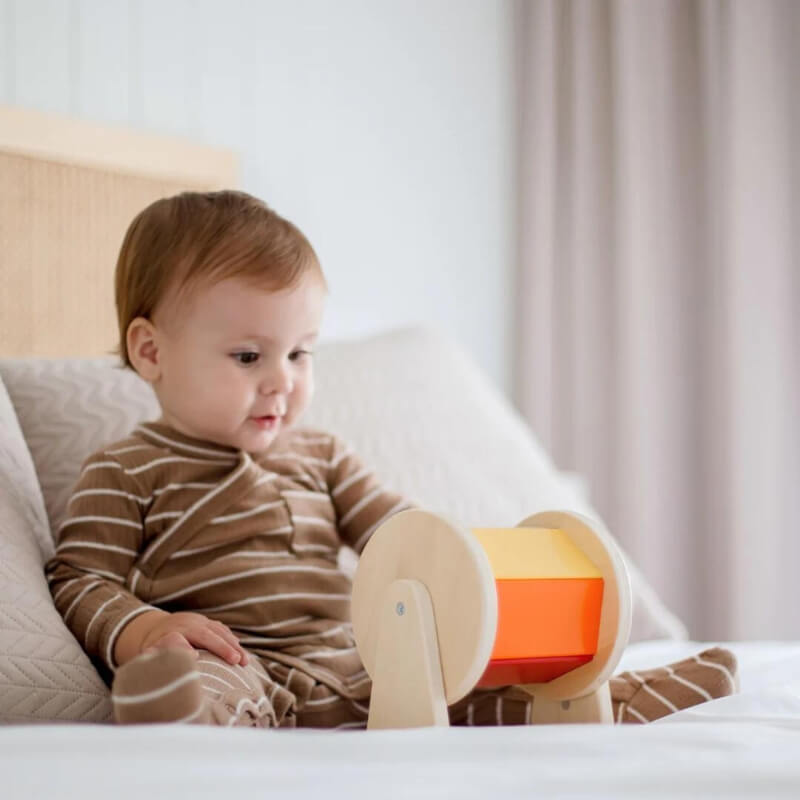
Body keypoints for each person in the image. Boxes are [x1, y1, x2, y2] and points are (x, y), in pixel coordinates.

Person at [44, 191, 737, 728]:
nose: (283, 379)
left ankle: (604, 693)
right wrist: (145, 628)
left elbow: (403, 537)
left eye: (300, 352)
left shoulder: (323, 454)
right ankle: (176, 709)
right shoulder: (127, 469)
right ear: (151, 351)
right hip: (242, 661)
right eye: (249, 356)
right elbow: (79, 577)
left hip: (360, 655)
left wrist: (462, 576)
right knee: (209, 687)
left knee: (457, 679)